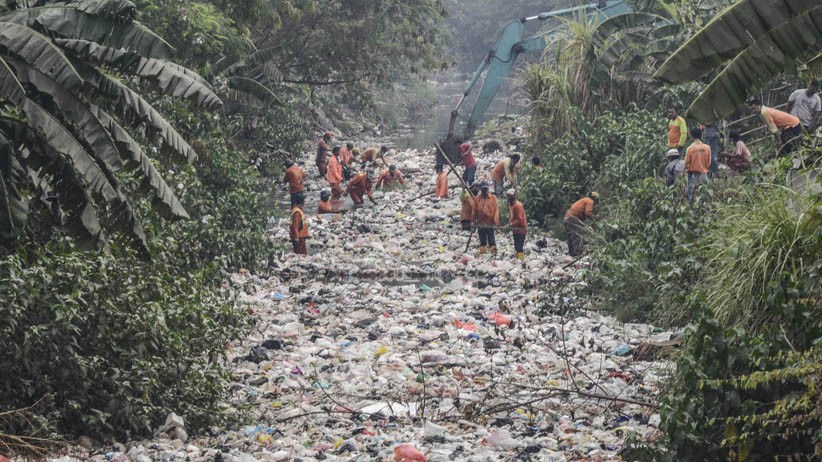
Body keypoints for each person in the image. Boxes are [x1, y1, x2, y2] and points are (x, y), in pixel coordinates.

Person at [564, 192, 598, 257]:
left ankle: (572, 254)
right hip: (573, 218)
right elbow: (588, 213)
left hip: (567, 218)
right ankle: (578, 254)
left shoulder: (584, 200)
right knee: (577, 236)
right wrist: (595, 218)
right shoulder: (590, 201)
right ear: (595, 199)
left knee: (570, 237)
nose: (595, 205)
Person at [684, 126, 711, 202]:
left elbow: (686, 162)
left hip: (692, 174)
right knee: (705, 195)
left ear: (692, 136)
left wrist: (684, 172)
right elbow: (709, 162)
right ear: (701, 135)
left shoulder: (690, 148)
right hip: (704, 174)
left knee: (692, 196)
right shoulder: (707, 148)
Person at [472, 182, 499, 256]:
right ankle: (483, 254)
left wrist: (496, 222)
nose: (484, 191)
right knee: (482, 239)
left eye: (485, 189)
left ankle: (494, 254)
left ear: (488, 189)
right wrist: (473, 223)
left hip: (489, 222)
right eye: (483, 189)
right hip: (480, 222)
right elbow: (474, 211)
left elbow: (496, 210)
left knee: (491, 239)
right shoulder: (477, 198)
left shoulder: (493, 198)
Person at [507, 189, 527, 261]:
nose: (509, 198)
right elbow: (513, 217)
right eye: (509, 197)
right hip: (516, 230)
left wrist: (511, 224)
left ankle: (521, 261)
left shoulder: (517, 205)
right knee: (517, 246)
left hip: (521, 229)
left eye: (511, 197)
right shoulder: (511, 205)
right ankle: (518, 260)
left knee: (519, 247)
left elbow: (520, 219)